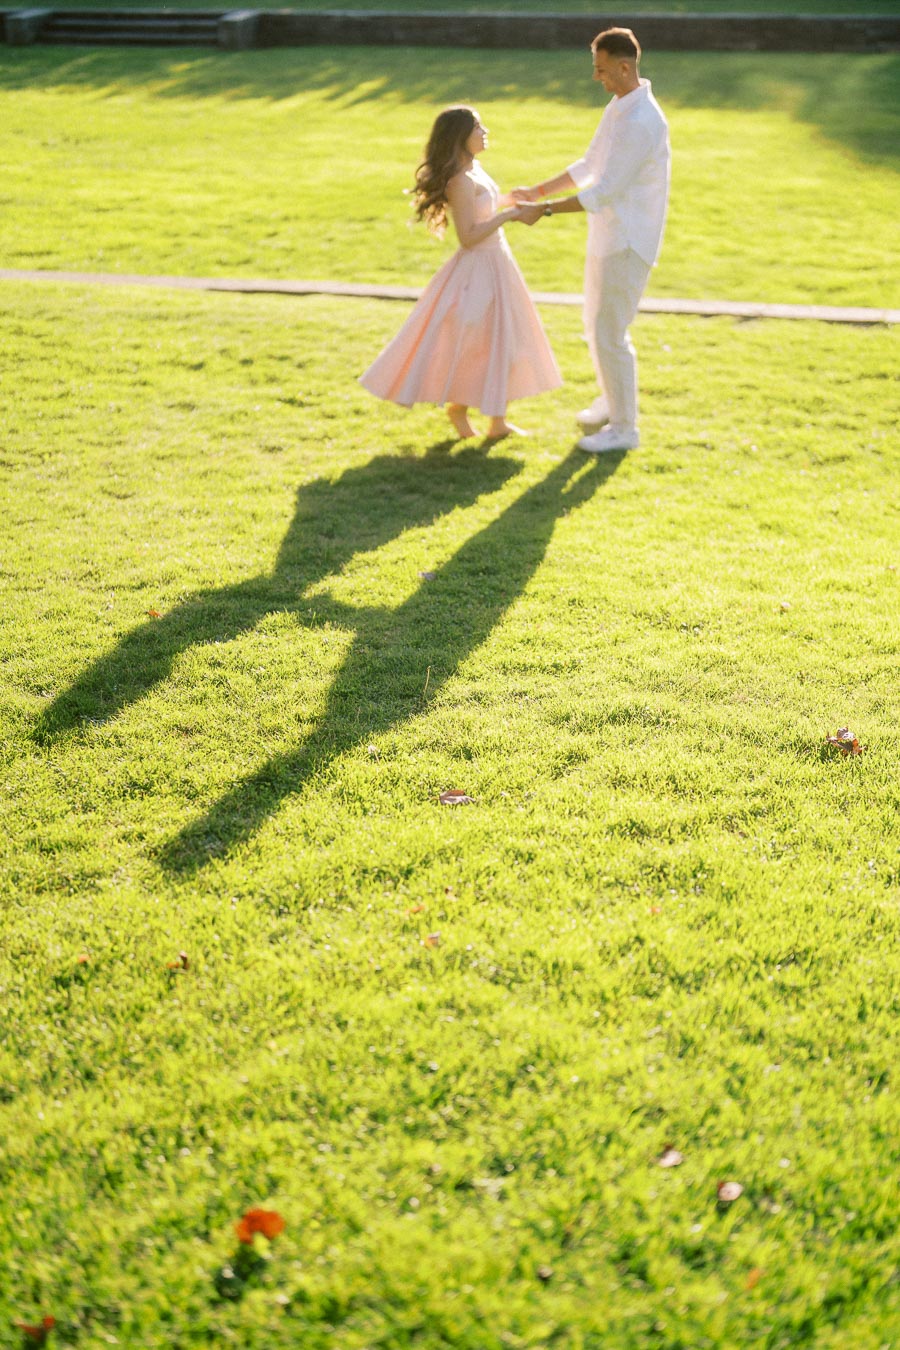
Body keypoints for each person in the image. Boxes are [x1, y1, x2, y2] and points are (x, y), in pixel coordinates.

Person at [360, 105, 561, 441]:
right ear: (460, 136)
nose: (485, 132)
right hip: (477, 269)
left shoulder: (474, 170)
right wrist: (510, 216)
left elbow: (484, 205)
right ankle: (459, 407)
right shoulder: (459, 180)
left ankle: (497, 422)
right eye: (478, 128)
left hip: (498, 262)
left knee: (505, 339)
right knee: (475, 342)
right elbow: (467, 236)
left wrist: (514, 199)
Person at [513, 27, 670, 453]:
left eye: (601, 70)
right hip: (607, 237)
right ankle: (611, 400)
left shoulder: (642, 121)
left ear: (624, 66)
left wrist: (542, 212)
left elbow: (603, 193)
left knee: (611, 333)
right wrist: (538, 191)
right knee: (594, 326)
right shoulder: (619, 105)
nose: (596, 78)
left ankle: (624, 429)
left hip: (629, 241)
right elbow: (589, 164)